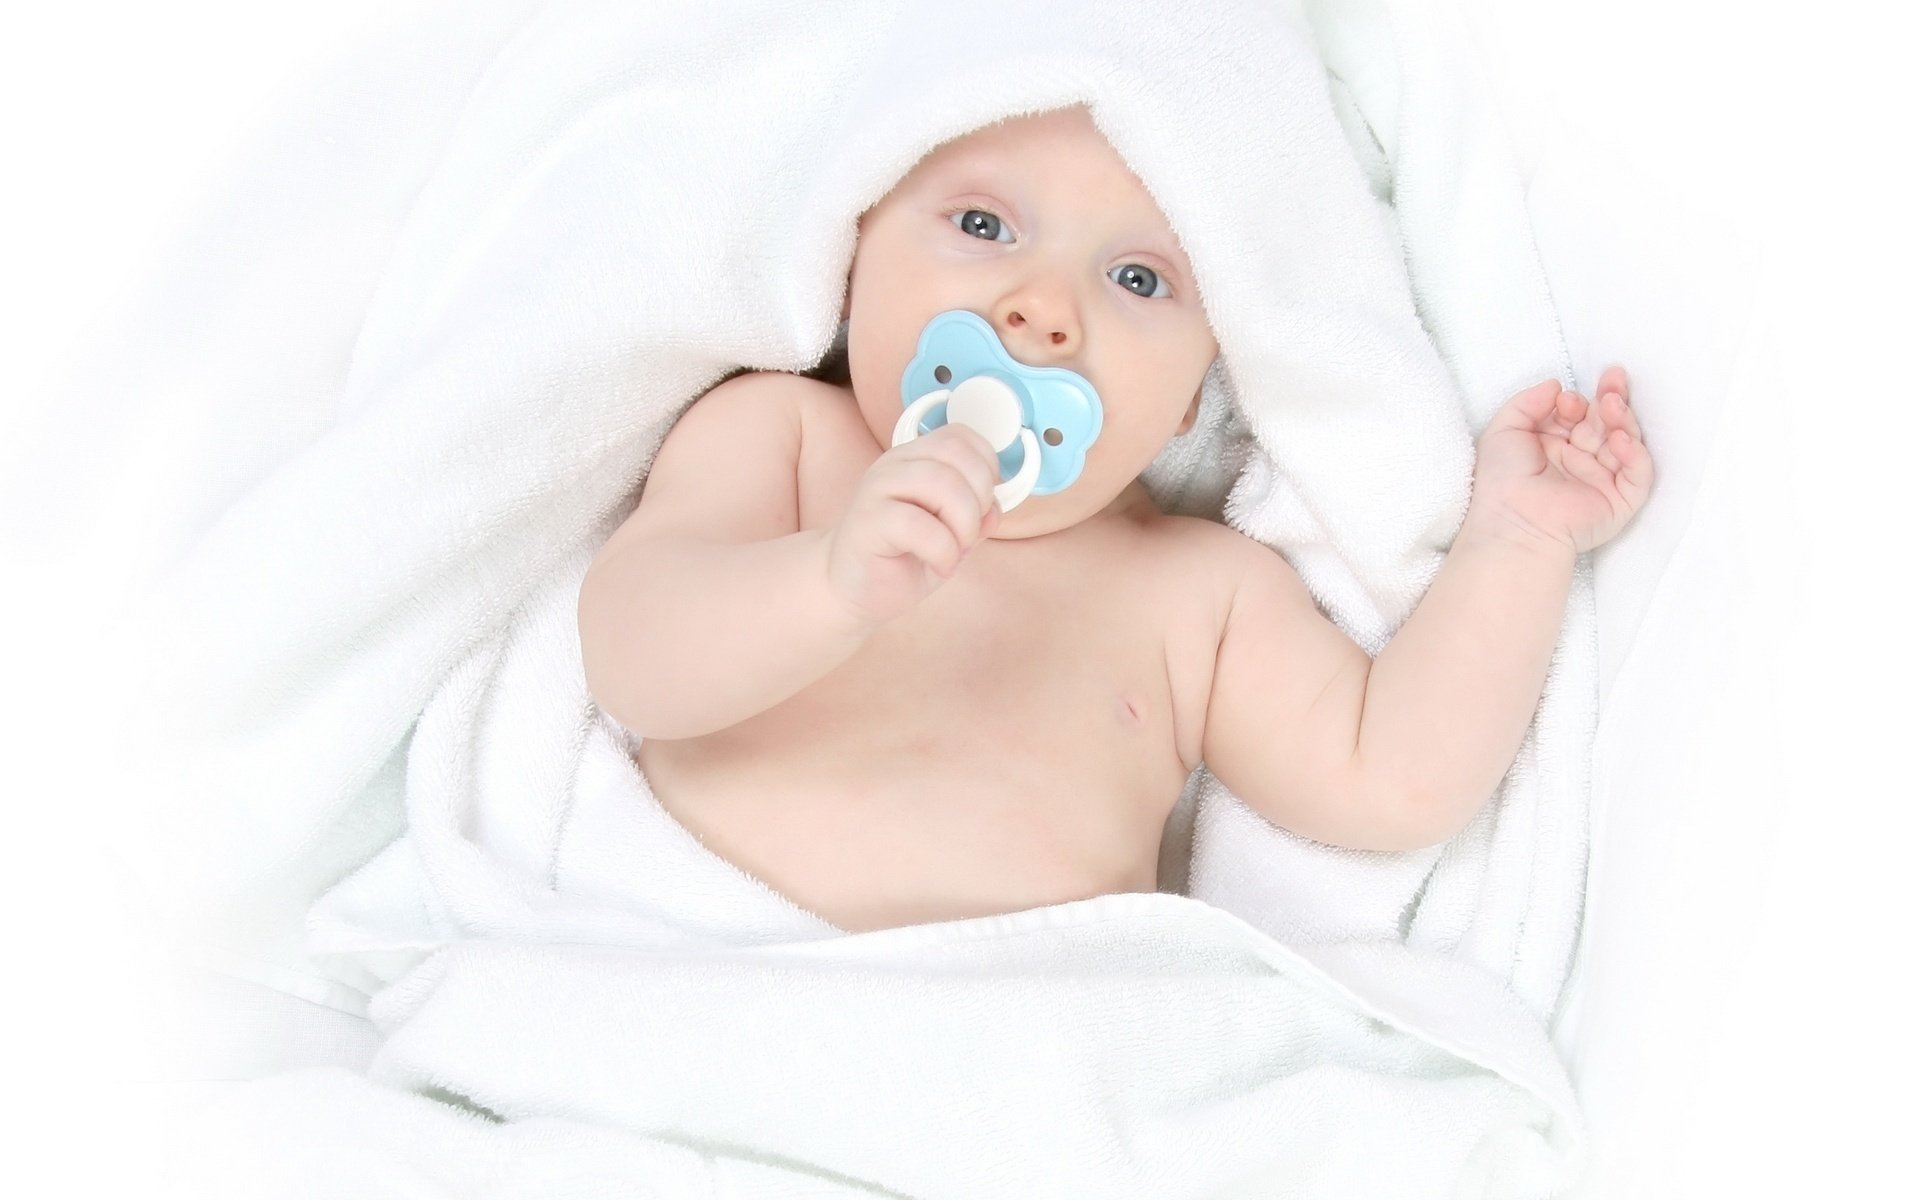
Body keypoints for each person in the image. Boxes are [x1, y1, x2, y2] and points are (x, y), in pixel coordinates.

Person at [576, 104, 1652, 933]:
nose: (1042, 309)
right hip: (714, 967)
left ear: (1194, 395)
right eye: (983, 224)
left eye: (1139, 279)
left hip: (1034, 1045)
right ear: (855, 263)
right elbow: (632, 657)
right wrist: (824, 583)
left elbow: (1392, 777)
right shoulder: (785, 441)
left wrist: (1517, 540)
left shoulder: (1198, 594)